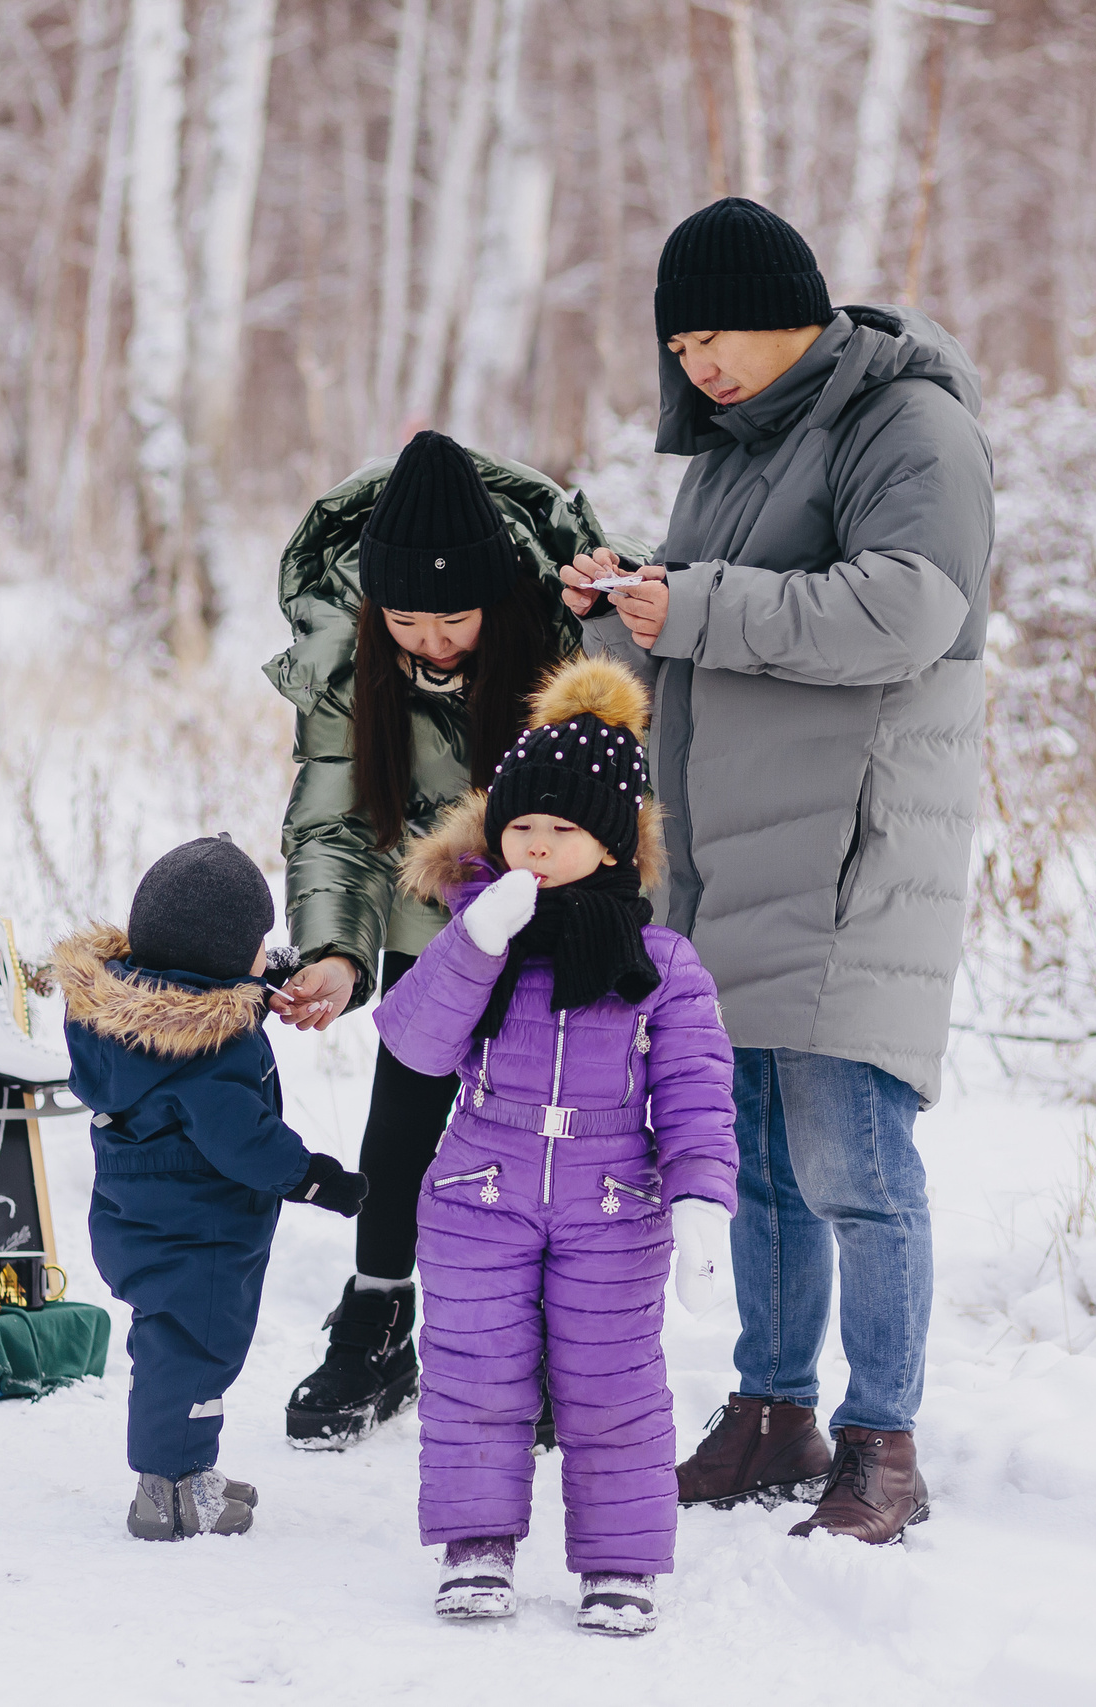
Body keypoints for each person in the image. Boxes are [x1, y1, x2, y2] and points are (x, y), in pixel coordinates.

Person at [560, 197, 996, 1546]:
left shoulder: (906, 423)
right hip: (735, 864)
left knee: (853, 1161)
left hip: (852, 852)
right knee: (754, 1166)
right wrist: (626, 609)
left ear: (793, 306)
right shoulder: (732, 455)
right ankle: (772, 1410)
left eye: (721, 336)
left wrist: (696, 603)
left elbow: (904, 609)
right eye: (680, 345)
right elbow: (711, 650)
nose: (702, 366)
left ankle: (883, 1442)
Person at [265, 429, 635, 1448]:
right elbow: (331, 819)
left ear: (498, 601)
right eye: (406, 618)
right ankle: (380, 1318)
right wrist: (335, 950)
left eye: (454, 619)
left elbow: (619, 802)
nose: (428, 640)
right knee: (401, 1130)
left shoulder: (568, 641)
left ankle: (553, 1346)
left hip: (559, 924)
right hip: (429, 933)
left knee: (543, 1143)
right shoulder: (349, 658)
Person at [372, 656, 738, 1636]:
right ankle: (476, 1549)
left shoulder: (660, 961)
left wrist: (702, 1197)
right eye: (519, 826)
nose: (533, 846)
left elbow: (696, 1091)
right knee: (473, 1377)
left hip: (613, 1201)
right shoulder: (481, 931)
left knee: (611, 1386)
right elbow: (411, 1042)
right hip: (477, 1191)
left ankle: (620, 1565)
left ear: (610, 842)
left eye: (559, 830)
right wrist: (471, 944)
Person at [57, 833, 368, 1541]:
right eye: (261, 944)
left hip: (143, 1218)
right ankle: (167, 1494)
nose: (269, 955)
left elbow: (205, 983)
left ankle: (184, 1472)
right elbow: (243, 1139)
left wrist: (260, 973)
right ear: (225, 957)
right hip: (199, 1231)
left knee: (171, 1346)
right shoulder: (208, 1055)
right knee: (195, 1353)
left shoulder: (133, 1016)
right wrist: (314, 1177)